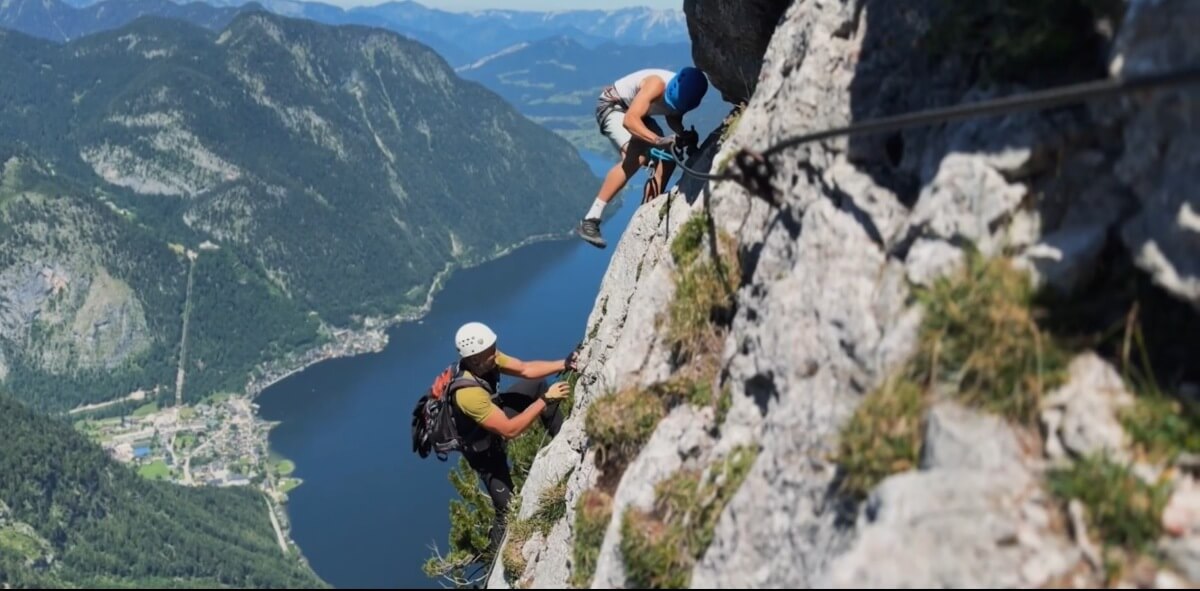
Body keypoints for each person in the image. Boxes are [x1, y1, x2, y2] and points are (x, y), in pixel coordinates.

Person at [448, 321, 578, 551]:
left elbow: (526, 369)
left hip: (494, 418)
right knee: (507, 509)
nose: (496, 354)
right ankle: (497, 552)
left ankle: (564, 441)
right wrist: (545, 400)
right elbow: (509, 430)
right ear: (475, 358)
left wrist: (565, 363)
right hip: (483, 451)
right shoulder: (467, 394)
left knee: (536, 385)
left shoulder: (486, 358)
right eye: (491, 352)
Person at [577, 66, 709, 249]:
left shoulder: (683, 94)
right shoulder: (656, 84)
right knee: (637, 156)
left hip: (638, 113)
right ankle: (591, 219)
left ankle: (648, 208)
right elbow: (630, 121)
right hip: (613, 107)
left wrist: (682, 135)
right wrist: (658, 139)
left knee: (669, 155)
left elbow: (672, 116)